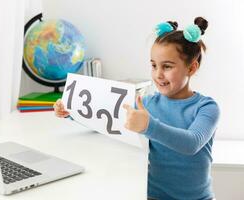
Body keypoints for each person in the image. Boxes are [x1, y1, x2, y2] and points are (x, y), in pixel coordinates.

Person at [54, 16, 220, 200]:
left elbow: (191, 143)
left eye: (167, 66)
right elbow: (105, 116)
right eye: (154, 65)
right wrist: (71, 110)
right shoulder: (146, 104)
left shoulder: (206, 107)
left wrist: (149, 125)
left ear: (192, 68)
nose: (158, 74)